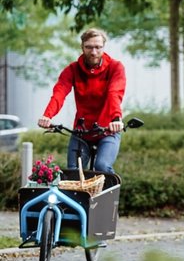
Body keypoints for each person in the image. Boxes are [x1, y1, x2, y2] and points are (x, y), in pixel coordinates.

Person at [38, 28, 126, 174]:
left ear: (103, 47)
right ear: (82, 47)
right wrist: (47, 116)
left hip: (108, 129)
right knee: (73, 172)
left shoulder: (115, 67)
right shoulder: (72, 69)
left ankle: (110, 196)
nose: (93, 52)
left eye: (98, 47)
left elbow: (114, 93)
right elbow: (59, 93)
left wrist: (116, 118)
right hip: (82, 131)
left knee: (102, 167)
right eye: (89, 47)